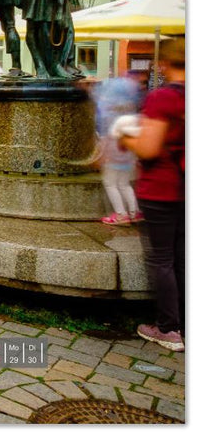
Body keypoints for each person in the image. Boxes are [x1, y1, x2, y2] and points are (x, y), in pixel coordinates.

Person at [118, 38, 185, 352]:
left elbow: (149, 147)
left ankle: (168, 328)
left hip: (162, 188)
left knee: (162, 259)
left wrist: (123, 136)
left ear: (163, 64)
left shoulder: (163, 99)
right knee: (184, 257)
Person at [95, 77, 142, 226]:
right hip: (128, 158)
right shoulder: (133, 112)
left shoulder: (110, 113)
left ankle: (121, 215)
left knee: (110, 184)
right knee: (124, 184)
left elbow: (107, 136)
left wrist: (102, 156)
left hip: (114, 157)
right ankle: (134, 213)